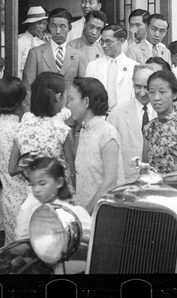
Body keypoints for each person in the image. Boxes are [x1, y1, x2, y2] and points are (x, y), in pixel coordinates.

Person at [9, 72, 76, 201]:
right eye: (66, 95)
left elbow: (12, 169)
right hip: (57, 196)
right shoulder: (62, 131)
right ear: (58, 97)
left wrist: (33, 164)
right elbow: (73, 172)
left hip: (31, 196)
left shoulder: (21, 128)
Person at [67, 77, 124, 213]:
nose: (68, 105)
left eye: (72, 99)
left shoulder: (107, 133)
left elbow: (110, 182)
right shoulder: (84, 130)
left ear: (86, 101)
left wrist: (86, 213)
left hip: (104, 214)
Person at [0, 77, 29, 245]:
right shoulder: (20, 128)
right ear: (21, 100)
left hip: (8, 197)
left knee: (13, 246)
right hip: (25, 197)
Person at [22, 8, 88, 109]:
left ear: (70, 28)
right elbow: (28, 88)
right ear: (48, 27)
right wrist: (31, 116)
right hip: (42, 115)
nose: (57, 31)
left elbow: (82, 90)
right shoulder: (36, 53)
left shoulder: (79, 55)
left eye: (62, 27)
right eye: (53, 26)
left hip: (70, 116)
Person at [15, 156, 91, 242]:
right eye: (32, 184)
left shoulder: (72, 213)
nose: (36, 189)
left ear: (59, 182)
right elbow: (21, 240)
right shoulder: (29, 210)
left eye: (42, 184)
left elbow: (90, 237)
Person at [142, 70, 177, 173]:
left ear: (174, 94)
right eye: (152, 92)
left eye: (162, 92)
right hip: (156, 185)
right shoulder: (148, 128)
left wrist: (176, 175)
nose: (156, 98)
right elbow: (145, 163)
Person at [107, 65, 157, 182]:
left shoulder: (164, 113)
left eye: (147, 87)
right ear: (132, 82)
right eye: (138, 87)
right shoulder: (117, 114)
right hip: (127, 183)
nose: (142, 93)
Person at [85, 24, 139, 111]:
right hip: (99, 117)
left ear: (121, 41)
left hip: (124, 117)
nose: (104, 45)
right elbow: (87, 96)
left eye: (108, 42)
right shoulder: (93, 66)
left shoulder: (134, 67)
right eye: (102, 41)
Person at [18, 6, 48, 78]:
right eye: (38, 23)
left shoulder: (41, 43)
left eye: (43, 24)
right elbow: (16, 67)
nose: (41, 27)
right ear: (30, 24)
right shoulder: (20, 42)